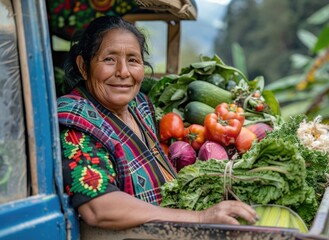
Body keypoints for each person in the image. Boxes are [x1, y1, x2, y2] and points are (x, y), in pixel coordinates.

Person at [57, 15, 258, 230]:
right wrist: (200, 217)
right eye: (109, 59)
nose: (123, 72)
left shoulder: (140, 106)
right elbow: (99, 208)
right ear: (83, 66)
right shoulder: (74, 121)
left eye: (133, 60)